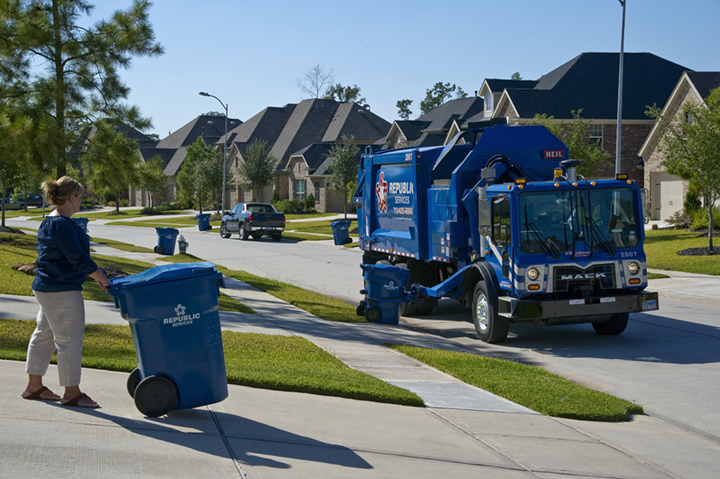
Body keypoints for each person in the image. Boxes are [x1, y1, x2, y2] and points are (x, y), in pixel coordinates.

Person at [22, 176, 111, 408]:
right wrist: (103, 280)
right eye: (80, 197)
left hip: (46, 287)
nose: (80, 201)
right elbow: (77, 258)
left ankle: (34, 386)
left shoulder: (49, 221)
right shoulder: (62, 223)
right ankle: (72, 392)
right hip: (62, 289)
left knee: (44, 334)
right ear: (72, 198)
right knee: (69, 341)